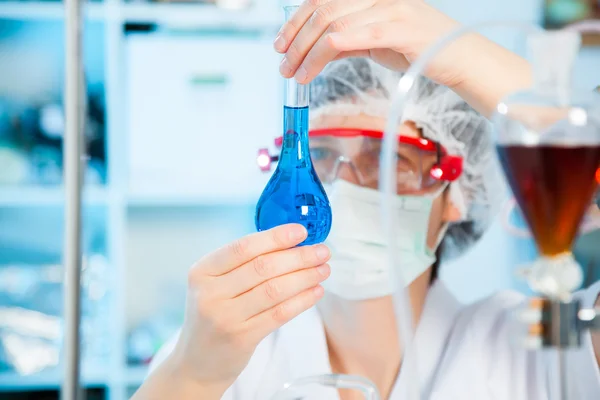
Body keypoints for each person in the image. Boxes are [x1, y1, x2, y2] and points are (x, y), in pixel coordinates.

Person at [132, 1, 600, 399]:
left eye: (389, 157)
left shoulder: (538, 349)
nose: (346, 186)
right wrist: (191, 376)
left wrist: (461, 56)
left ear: (458, 191)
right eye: (322, 155)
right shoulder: (228, 355)